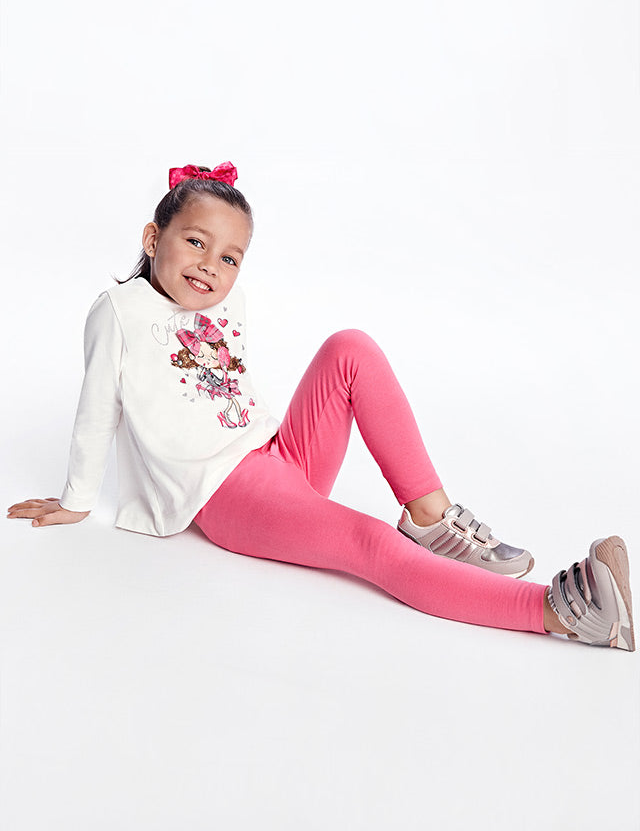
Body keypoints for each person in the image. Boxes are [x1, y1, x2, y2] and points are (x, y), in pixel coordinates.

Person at [7, 162, 635, 651]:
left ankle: (431, 519)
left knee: (350, 347)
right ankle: (562, 613)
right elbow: (96, 410)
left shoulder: (226, 301)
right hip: (227, 496)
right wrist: (76, 500)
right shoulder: (118, 312)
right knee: (367, 540)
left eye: (228, 257)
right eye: (195, 242)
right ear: (153, 237)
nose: (210, 267)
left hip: (276, 459)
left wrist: (284, 458)